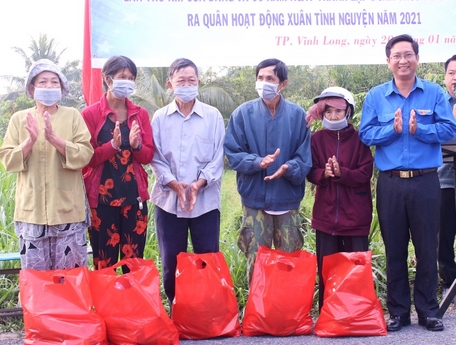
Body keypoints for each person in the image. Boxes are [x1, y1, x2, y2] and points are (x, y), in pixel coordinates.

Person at [359, 34, 456, 332]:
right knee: (395, 248)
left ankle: (428, 310)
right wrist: (393, 129)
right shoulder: (376, 96)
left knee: (427, 246)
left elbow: (449, 127)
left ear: (417, 58)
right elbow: (366, 133)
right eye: (397, 55)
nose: (403, 60)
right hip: (390, 184)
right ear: (388, 61)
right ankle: (398, 311)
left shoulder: (434, 92)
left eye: (408, 54)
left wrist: (420, 129)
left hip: (426, 183)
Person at [0, 59, 94, 270]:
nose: (49, 87)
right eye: (43, 82)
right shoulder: (19, 119)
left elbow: (86, 154)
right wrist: (29, 141)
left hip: (68, 210)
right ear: (32, 88)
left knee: (71, 281)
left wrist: (56, 140)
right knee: (36, 282)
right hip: (32, 213)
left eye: (54, 82)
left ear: (62, 88)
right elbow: (6, 159)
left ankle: (72, 305)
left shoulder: (72, 116)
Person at [224, 58, 312, 284]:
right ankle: (257, 315)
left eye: (270, 79)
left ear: (283, 83)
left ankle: (289, 315)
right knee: (257, 262)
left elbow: (304, 158)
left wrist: (288, 167)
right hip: (255, 200)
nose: (264, 83)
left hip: (286, 201)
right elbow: (233, 152)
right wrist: (257, 162)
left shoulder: (297, 115)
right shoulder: (242, 114)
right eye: (260, 78)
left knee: (289, 263)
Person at [150, 58, 225, 304]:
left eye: (191, 80)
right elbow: (155, 157)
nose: (186, 84)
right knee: (171, 260)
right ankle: (177, 310)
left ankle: (207, 311)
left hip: (204, 202)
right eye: (180, 80)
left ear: (198, 83)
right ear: (170, 84)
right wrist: (174, 184)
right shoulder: (160, 118)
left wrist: (198, 184)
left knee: (208, 257)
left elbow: (218, 157)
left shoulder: (213, 117)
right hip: (169, 203)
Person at [82, 55, 154, 270]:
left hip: (134, 198)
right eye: (122, 76)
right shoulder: (90, 114)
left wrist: (136, 146)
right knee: (104, 261)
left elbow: (148, 156)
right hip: (101, 201)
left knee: (134, 261)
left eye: (131, 78)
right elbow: (86, 158)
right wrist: (111, 146)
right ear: (107, 78)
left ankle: (133, 303)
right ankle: (106, 304)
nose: (127, 82)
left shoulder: (139, 114)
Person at [306, 86, 373, 310]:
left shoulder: (360, 138)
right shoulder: (316, 139)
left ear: (349, 113)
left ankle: (358, 313)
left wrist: (342, 173)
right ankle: (329, 313)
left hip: (355, 216)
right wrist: (323, 173)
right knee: (327, 268)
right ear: (322, 114)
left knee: (356, 269)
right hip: (326, 216)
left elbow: (365, 173)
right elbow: (310, 170)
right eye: (328, 112)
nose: (333, 116)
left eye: (338, 111)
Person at [438, 55, 456, 300]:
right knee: (444, 233)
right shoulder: (439, 103)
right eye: (452, 73)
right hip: (445, 180)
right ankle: (449, 283)